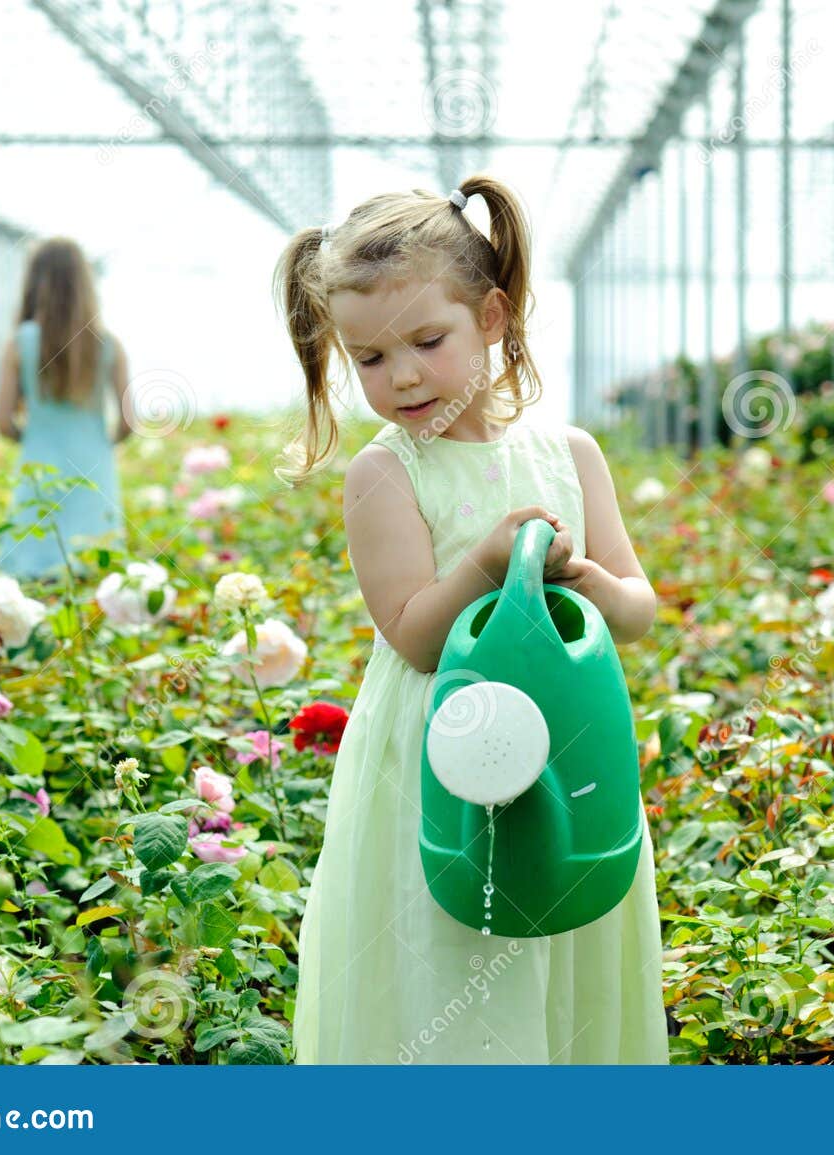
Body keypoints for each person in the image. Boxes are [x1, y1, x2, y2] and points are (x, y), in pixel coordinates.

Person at [274, 174, 668, 1064]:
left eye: (426, 340)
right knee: (452, 957)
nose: (402, 375)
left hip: (566, 744)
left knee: (561, 930)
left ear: (491, 318)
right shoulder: (384, 473)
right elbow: (413, 631)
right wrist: (485, 567)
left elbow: (638, 610)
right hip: (442, 753)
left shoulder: (570, 453)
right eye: (369, 359)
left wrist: (591, 582)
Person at [0, 237, 132, 580]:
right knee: (93, 567)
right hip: (93, 466)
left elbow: (3, 422)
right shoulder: (108, 343)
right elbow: (130, 421)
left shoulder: (19, 343)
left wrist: (36, 437)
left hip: (38, 466)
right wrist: (101, 441)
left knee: (31, 568)